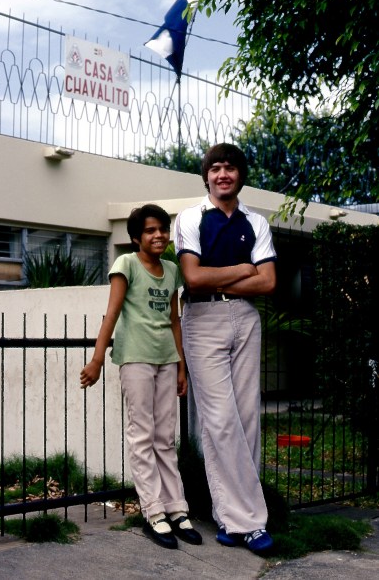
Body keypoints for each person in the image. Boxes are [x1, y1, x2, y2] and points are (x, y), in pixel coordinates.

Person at [174, 143, 277, 554]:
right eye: (215, 169)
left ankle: (230, 519)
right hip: (203, 320)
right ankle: (251, 523)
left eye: (230, 168)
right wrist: (241, 269)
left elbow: (267, 283)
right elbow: (193, 279)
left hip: (245, 319)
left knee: (247, 417)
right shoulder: (191, 218)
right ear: (206, 176)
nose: (223, 175)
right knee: (220, 420)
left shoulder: (256, 221)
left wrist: (221, 278)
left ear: (240, 175)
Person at [80, 203, 202, 550]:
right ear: (136, 237)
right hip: (136, 359)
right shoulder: (127, 264)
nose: (158, 235)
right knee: (143, 434)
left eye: (162, 229)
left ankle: (177, 509)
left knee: (165, 436)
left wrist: (181, 365)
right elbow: (113, 311)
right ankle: (153, 511)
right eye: (150, 230)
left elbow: (175, 320)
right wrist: (98, 359)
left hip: (166, 359)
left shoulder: (173, 269)